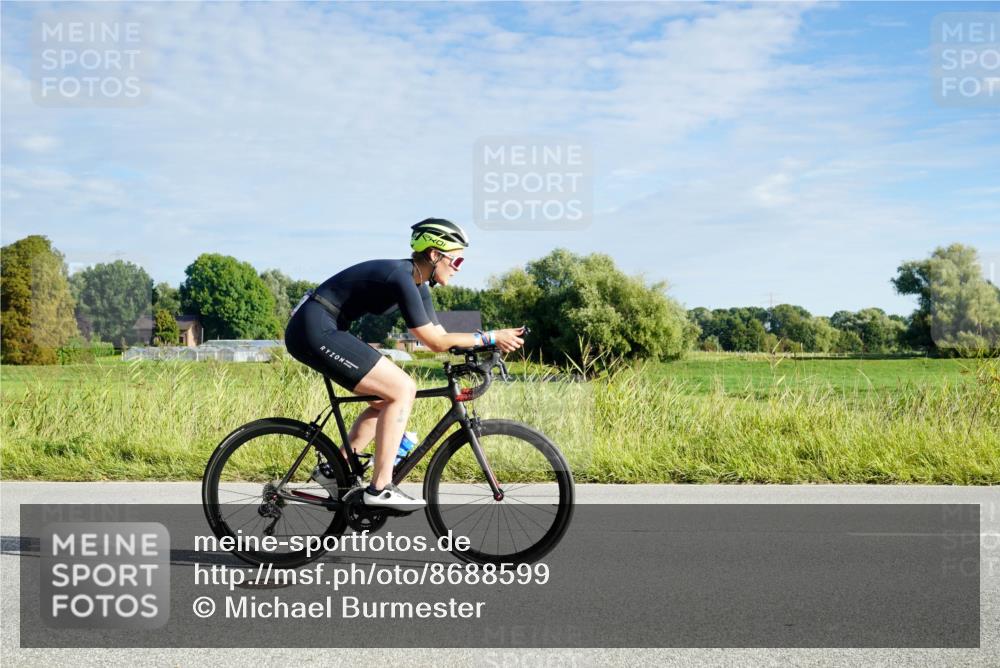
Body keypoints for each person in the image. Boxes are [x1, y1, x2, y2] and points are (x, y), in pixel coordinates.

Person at [283, 218, 525, 511]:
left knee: (383, 399)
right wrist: (489, 336)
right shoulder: (401, 276)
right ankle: (380, 487)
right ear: (435, 255)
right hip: (314, 328)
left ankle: (335, 470)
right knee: (402, 389)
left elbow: (440, 337)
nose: (460, 266)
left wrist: (485, 345)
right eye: (457, 258)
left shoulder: (418, 285)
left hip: (326, 326)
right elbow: (435, 342)